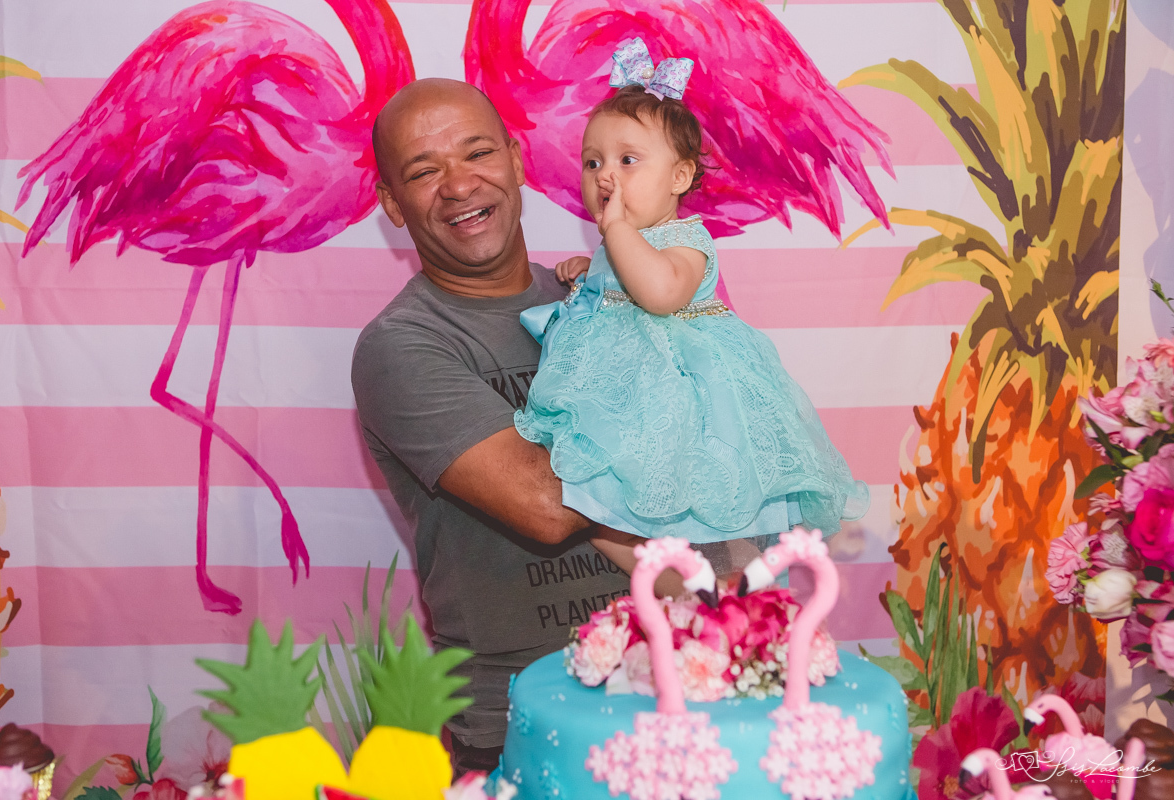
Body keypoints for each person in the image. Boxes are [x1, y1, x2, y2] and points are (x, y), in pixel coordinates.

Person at [352, 78, 634, 776]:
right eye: (424, 171)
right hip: (519, 724)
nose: (458, 185)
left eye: (477, 153)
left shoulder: (595, 296)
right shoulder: (402, 346)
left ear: (515, 160)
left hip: (667, 683)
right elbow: (547, 504)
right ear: (392, 203)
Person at [514, 39, 870, 576]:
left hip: (680, 401)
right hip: (623, 399)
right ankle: (681, 577)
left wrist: (616, 236)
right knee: (610, 492)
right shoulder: (623, 242)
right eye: (593, 162)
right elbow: (629, 280)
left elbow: (660, 292)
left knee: (695, 501)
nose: (605, 176)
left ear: (679, 178)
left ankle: (725, 581)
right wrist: (596, 270)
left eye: (628, 161)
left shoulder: (686, 240)